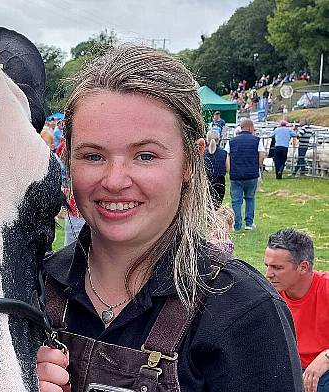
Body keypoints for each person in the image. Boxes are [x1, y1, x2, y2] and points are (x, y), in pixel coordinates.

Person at [36, 45, 301, 392]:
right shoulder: (32, 289)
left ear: (191, 161)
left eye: (145, 155)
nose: (115, 180)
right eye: (93, 156)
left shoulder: (245, 313)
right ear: (68, 160)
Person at [264, 229, 329, 392]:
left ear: (303, 267)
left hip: (322, 372)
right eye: (267, 266)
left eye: (277, 268)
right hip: (287, 368)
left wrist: (326, 357)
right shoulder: (267, 295)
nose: (268, 274)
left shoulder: (326, 288)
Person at [226, 117, 265, 231]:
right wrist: (257, 166)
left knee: (236, 200)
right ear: (250, 128)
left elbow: (226, 156)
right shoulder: (257, 140)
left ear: (241, 128)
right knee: (250, 198)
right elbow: (262, 154)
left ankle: (236, 225)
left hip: (236, 175)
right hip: (251, 174)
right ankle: (249, 223)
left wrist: (229, 169)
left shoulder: (231, 141)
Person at [203, 130, 228, 209]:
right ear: (219, 140)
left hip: (205, 181)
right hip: (220, 182)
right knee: (217, 207)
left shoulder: (202, 153)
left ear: (207, 140)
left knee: (206, 206)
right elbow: (228, 168)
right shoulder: (224, 153)